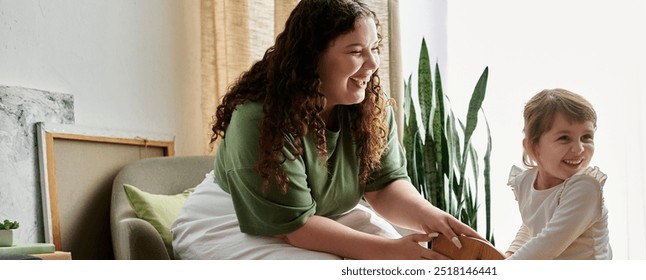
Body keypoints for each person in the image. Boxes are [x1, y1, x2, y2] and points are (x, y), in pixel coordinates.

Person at [171, 0, 480, 260]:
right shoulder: (259, 118)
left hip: (321, 215)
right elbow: (294, 227)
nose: (372, 63)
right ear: (312, 58)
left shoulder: (370, 108)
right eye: (356, 51)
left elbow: (384, 186)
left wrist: (433, 218)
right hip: (233, 220)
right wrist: (387, 250)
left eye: (374, 47)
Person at [504, 88, 612, 260]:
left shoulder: (585, 189)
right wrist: (509, 254)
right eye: (564, 138)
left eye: (586, 137)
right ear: (533, 147)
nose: (579, 149)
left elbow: (546, 246)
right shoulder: (525, 182)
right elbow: (530, 225)